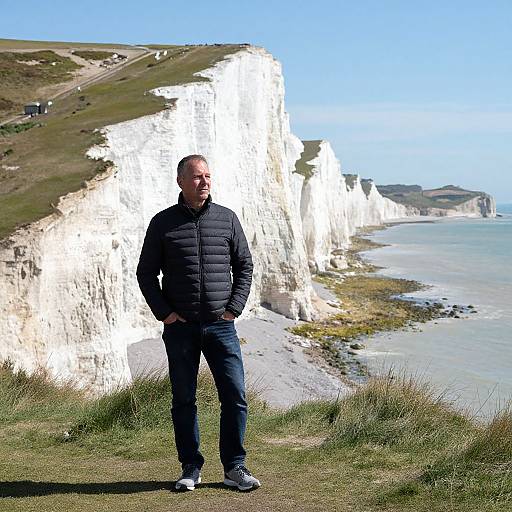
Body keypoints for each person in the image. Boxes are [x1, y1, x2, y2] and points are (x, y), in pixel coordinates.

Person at [136, 154, 260, 492]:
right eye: (196, 177)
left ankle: (235, 467)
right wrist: (165, 314)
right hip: (181, 328)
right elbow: (146, 273)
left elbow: (245, 266)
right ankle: (190, 467)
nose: (204, 182)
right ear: (181, 181)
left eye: (207, 176)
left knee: (235, 395)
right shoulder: (163, 223)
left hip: (222, 326)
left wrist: (233, 309)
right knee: (183, 399)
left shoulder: (227, 219)